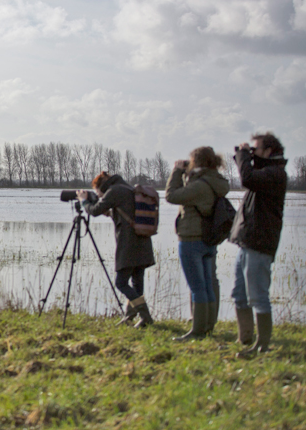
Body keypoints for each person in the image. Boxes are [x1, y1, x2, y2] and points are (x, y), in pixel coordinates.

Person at [230, 132, 287, 357]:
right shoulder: (265, 172)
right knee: (239, 293)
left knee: (258, 295)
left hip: (260, 243)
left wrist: (244, 155)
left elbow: (247, 178)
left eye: (256, 149)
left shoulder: (275, 174)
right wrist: (242, 157)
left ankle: (262, 346)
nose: (252, 153)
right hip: (248, 242)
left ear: (269, 151)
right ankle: (245, 340)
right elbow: (249, 175)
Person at [165, 146, 230, 340]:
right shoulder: (215, 181)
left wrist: (177, 171)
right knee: (208, 284)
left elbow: (171, 195)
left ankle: (197, 331)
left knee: (197, 287)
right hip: (208, 240)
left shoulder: (200, 185)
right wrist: (188, 174)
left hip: (192, 239)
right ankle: (207, 326)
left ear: (197, 161)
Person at [78, 171, 156, 328]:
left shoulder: (114, 191)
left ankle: (145, 315)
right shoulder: (126, 187)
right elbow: (126, 211)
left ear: (101, 187)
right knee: (137, 282)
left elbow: (94, 211)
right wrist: (112, 212)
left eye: (97, 192)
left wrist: (84, 201)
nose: (98, 196)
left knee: (121, 283)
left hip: (129, 244)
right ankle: (130, 316)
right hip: (142, 240)